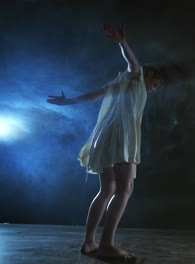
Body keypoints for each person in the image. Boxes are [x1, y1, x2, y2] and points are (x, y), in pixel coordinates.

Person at [47, 24, 164, 260]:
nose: (153, 90)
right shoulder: (136, 76)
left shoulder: (119, 83)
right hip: (120, 136)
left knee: (108, 189)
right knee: (125, 189)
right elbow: (133, 63)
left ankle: (89, 243)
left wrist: (67, 102)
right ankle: (107, 245)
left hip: (106, 136)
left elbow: (93, 96)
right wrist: (123, 42)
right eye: (156, 84)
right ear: (149, 75)